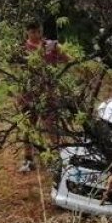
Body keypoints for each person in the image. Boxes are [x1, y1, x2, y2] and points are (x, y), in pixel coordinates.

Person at [17, 22, 69, 172]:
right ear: (27, 32)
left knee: (51, 127)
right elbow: (16, 70)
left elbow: (68, 60)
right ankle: (28, 160)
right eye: (32, 31)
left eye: (38, 31)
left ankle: (56, 160)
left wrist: (56, 69)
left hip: (48, 93)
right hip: (28, 94)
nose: (36, 34)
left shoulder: (52, 45)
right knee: (27, 127)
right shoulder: (22, 48)